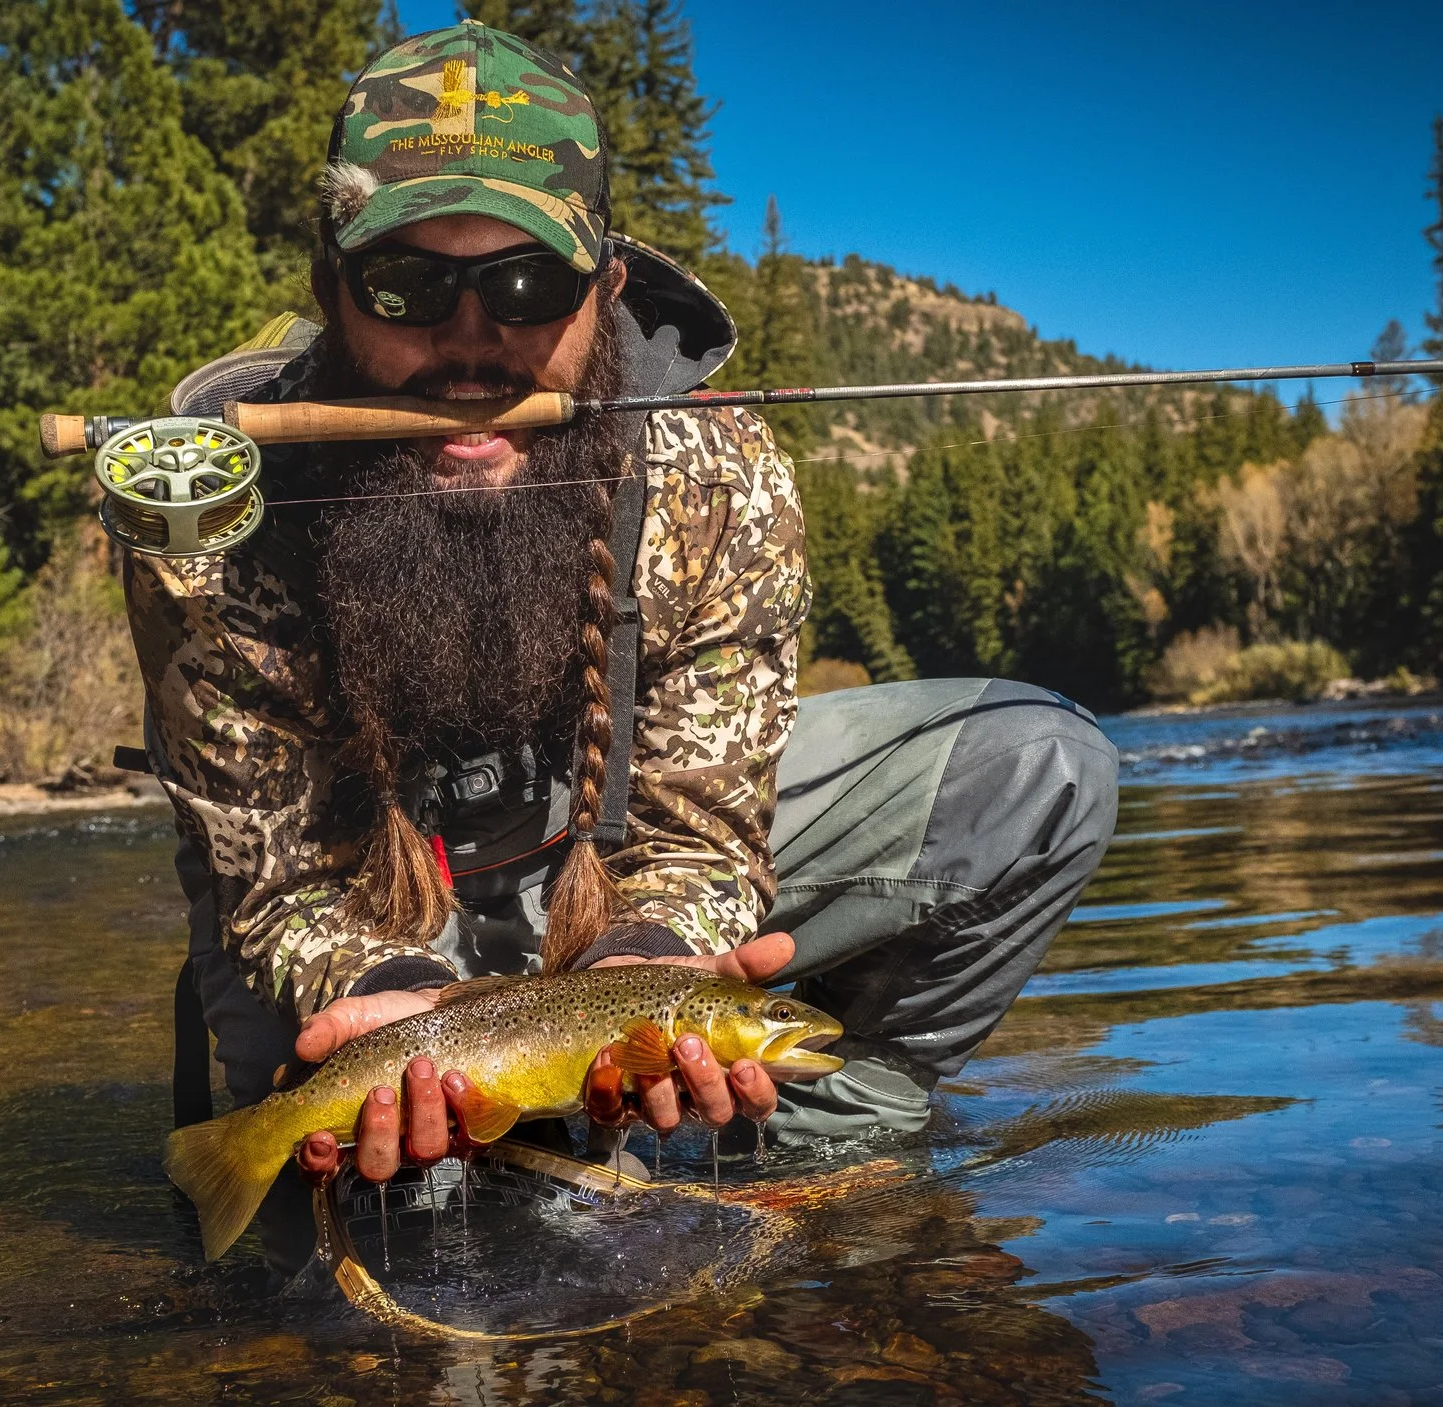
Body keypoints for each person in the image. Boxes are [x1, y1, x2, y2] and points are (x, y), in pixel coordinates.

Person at [125, 20, 1117, 1268]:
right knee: (390, 1235)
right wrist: (365, 989)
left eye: (530, 285)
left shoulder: (715, 471)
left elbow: (703, 823)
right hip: (359, 894)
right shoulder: (215, 513)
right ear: (332, 292)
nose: (471, 341)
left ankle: (828, 1172)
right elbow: (267, 877)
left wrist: (656, 959)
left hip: (605, 875)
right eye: (407, 288)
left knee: (1037, 766)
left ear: (603, 294)